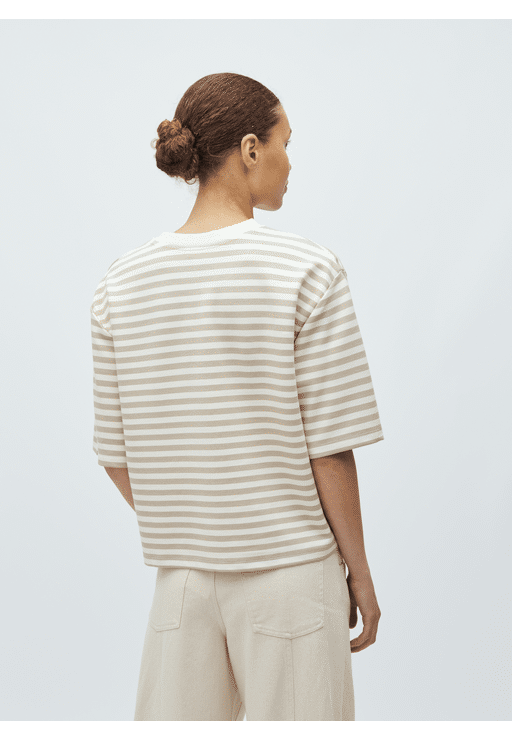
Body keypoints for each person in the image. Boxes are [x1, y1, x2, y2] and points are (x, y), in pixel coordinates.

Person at [90, 72, 384, 721]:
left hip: (181, 586)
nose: (290, 162)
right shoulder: (307, 270)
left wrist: (199, 521)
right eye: (285, 143)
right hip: (292, 577)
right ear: (251, 149)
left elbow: (114, 454)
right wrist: (359, 572)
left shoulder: (122, 282)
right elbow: (329, 448)